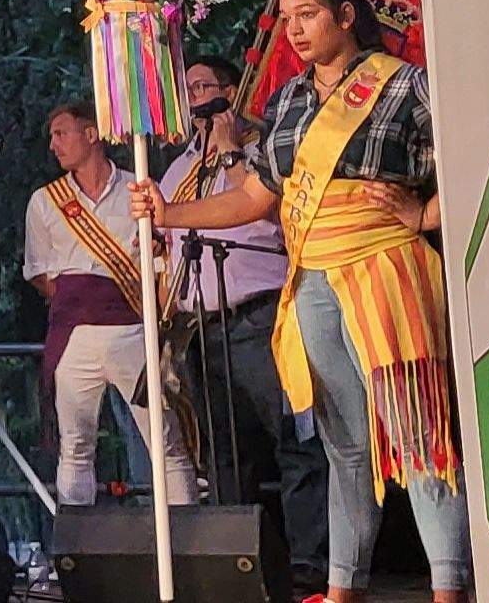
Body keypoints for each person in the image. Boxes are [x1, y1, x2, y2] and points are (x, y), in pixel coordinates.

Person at [138, 0, 470, 603]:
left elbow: (469, 155)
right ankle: (345, 589)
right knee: (343, 444)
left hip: (385, 269)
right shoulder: (289, 99)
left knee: (417, 436)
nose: (294, 30)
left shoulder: (404, 85)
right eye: (287, 19)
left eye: (308, 15)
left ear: (345, 16)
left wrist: (423, 216)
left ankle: (449, 589)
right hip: (311, 276)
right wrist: (166, 212)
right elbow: (256, 198)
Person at [158, 53, 329, 596]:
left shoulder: (262, 153)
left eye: (204, 85)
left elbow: (274, 214)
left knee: (293, 441)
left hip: (259, 315)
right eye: (187, 90)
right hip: (199, 327)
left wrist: (232, 149)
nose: (195, 98)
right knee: (226, 453)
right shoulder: (179, 168)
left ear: (231, 93)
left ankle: (310, 567)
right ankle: (241, 565)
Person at [20, 102, 201, 507]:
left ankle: (187, 543)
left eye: (62, 132)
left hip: (133, 329)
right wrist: (82, 300)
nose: (54, 144)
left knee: (165, 441)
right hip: (75, 335)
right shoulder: (45, 201)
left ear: (91, 134)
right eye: (52, 136)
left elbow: (162, 259)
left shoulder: (138, 189)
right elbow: (39, 273)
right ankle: (74, 552)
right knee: (75, 447)